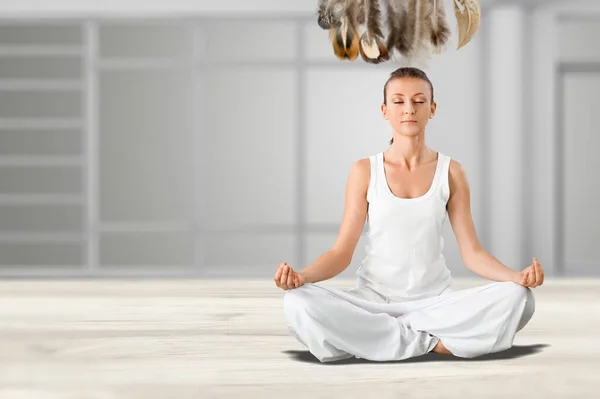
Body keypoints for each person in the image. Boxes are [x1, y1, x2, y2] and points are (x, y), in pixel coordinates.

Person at [273, 66, 543, 363]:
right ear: (384, 109)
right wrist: (302, 277)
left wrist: (517, 277)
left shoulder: (451, 172)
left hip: (435, 304)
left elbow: (472, 252)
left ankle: (379, 340)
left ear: (432, 109)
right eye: (399, 101)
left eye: (419, 101)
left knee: (519, 299)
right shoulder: (364, 171)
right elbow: (341, 252)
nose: (409, 109)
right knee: (297, 302)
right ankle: (428, 342)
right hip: (373, 302)